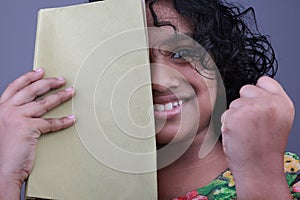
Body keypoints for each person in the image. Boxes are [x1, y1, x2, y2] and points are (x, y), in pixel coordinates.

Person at [0, 0, 299, 199]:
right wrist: (6, 176)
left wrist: (258, 174)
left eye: (181, 54)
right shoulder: (59, 191)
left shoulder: (289, 178)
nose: (157, 79)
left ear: (222, 66)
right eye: (128, 59)